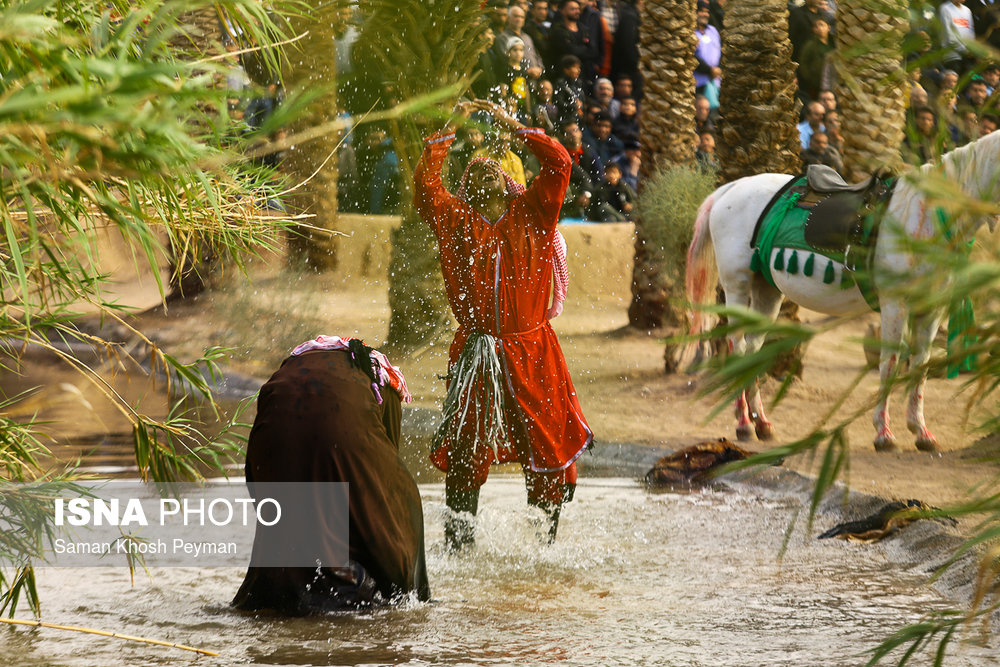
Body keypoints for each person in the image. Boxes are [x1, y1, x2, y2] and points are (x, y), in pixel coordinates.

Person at [413, 99, 593, 549]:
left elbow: (559, 162)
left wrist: (516, 127)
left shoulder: (535, 212)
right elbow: (426, 185)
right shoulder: (454, 221)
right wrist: (449, 130)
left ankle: (546, 549)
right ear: (465, 188)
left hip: (533, 351)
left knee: (547, 443)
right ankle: (458, 549)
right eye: (472, 170)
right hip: (477, 352)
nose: (481, 168)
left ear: (507, 181)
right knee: (465, 449)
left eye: (491, 166)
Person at [232, 336, 429, 614]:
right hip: (343, 439)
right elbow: (385, 471)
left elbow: (259, 480)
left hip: (272, 444)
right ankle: (405, 601)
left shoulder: (288, 370)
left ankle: (288, 589)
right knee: (404, 501)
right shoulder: (379, 376)